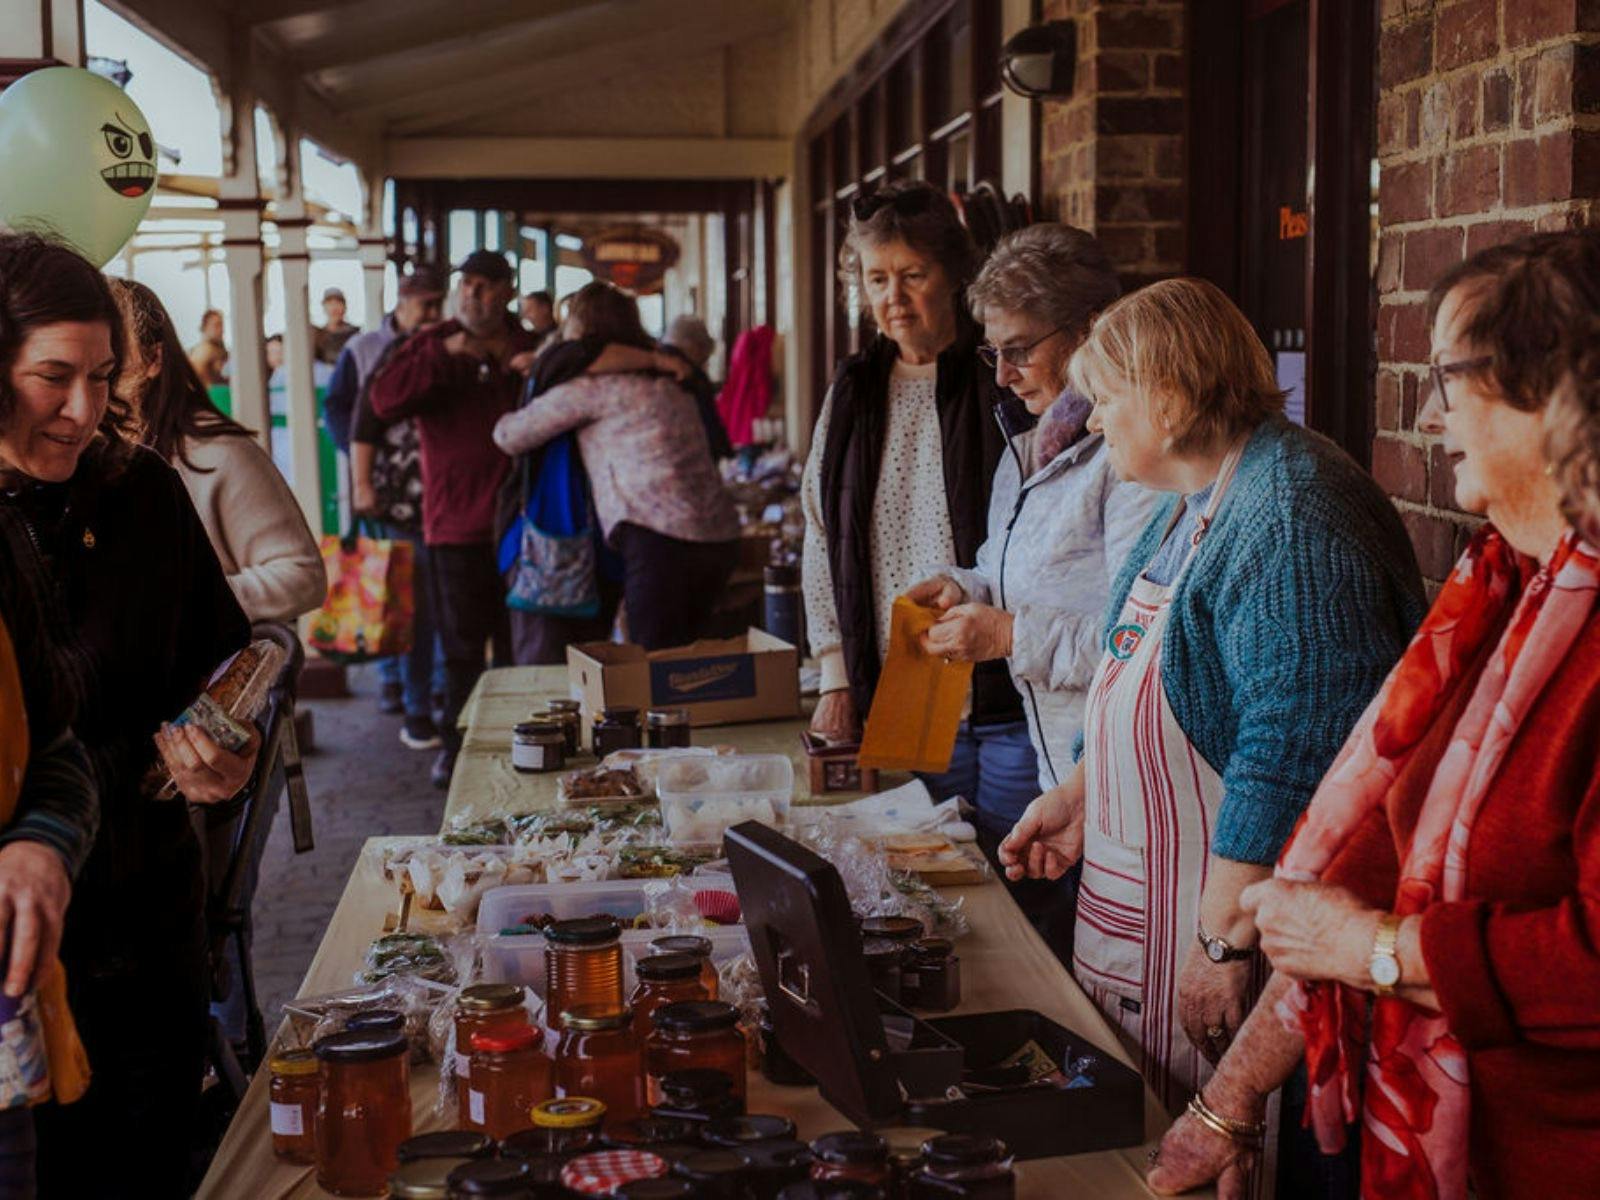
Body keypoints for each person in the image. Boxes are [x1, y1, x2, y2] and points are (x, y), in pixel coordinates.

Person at [1145, 232, 1600, 1200]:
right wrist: (1223, 1107)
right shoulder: (1502, 588)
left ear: (1560, 394)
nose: (1430, 412)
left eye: (1450, 374)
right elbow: (1357, 869)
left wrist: (1371, 952)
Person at [997, 277, 1426, 1130]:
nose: (1089, 421)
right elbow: (1138, 670)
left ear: (1165, 398)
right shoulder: (1191, 501)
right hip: (1140, 901)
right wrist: (1082, 795)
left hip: (1227, 920)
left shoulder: (1293, 511)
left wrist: (1223, 945)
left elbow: (1293, 749)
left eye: (1105, 399)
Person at [0, 232, 258, 1197]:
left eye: (103, 377)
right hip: (22, 969)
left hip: (150, 923)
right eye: (51, 378)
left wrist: (230, 747)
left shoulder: (142, 491)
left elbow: (224, 664)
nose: (83, 410)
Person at [907, 224, 1160, 957]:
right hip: (1067, 778)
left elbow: (1145, 640)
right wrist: (962, 586)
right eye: (993, 351)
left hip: (1126, 782)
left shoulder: (1133, 454)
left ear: (1091, 331)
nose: (1002, 375)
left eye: (1020, 349)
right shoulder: (1034, 438)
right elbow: (1006, 565)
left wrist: (1008, 636)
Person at [801, 179, 1035, 834]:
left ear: (954, 274)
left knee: (1023, 885)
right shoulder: (853, 392)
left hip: (1006, 684)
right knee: (930, 883)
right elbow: (820, 537)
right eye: (877, 279)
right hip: (903, 688)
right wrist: (835, 678)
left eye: (912, 275)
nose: (893, 299)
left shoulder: (1004, 382)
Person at [369, 250, 538, 789]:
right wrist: (447, 353)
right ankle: (457, 747)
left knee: (520, 645)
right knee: (461, 647)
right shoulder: (430, 342)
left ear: (508, 292)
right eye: (468, 284)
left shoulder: (530, 344)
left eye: (488, 286)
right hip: (453, 524)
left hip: (525, 524)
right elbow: (382, 401)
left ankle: (526, 743)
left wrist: (535, 370)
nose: (475, 295)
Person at [493, 281, 738, 651]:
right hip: (719, 537)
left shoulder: (595, 388)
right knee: (696, 665)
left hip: (660, 542)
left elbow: (509, 435)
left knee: (656, 670)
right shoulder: (673, 380)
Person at [110, 279, 326, 623]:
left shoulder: (216, 453)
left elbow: (302, 576)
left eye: (110, 358)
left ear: (153, 359)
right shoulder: (81, 458)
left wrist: (180, 602)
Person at [332, 266, 450, 744]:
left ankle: (428, 688)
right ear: (404, 303)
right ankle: (396, 681)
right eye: (427, 305)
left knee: (419, 593)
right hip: (392, 494)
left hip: (430, 495)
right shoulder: (363, 349)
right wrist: (365, 467)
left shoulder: (444, 346)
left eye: (439, 305)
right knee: (395, 588)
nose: (434, 315)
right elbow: (341, 409)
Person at [661, 313, 733, 461]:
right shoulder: (691, 373)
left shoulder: (656, 363)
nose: (704, 360)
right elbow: (708, 419)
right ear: (693, 346)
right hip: (694, 456)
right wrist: (724, 452)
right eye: (703, 352)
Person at [312, 286, 359, 365]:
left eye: (338, 303)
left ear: (344, 307)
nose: (334, 308)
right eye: (330, 303)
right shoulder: (319, 336)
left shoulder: (355, 334)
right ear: (324, 307)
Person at [187, 308, 227, 385]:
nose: (221, 330)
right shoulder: (203, 351)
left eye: (222, 325)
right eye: (217, 325)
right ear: (205, 327)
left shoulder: (218, 349)